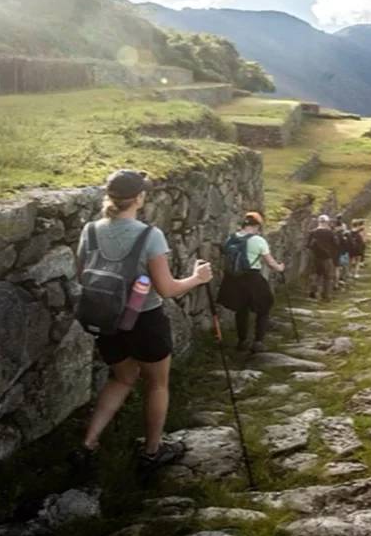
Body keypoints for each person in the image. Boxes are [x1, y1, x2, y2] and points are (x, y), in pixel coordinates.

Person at [70, 169, 213, 470]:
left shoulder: (91, 230)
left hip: (105, 319)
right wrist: (197, 279)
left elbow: (83, 275)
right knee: (157, 384)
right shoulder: (150, 236)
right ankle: (152, 451)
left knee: (122, 377)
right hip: (144, 319)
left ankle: (88, 443)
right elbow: (167, 288)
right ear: (139, 198)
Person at [217, 211, 284, 354]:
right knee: (264, 307)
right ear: (258, 225)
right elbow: (271, 263)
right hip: (252, 278)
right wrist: (280, 268)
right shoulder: (258, 240)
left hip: (233, 279)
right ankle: (258, 342)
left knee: (241, 309)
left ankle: (242, 341)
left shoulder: (231, 238)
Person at [306, 214, 338, 302]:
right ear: (327, 222)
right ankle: (325, 296)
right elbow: (336, 245)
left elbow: (308, 245)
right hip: (327, 257)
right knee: (328, 277)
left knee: (316, 274)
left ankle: (313, 291)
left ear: (318, 222)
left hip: (315, 256)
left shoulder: (313, 232)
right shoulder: (331, 233)